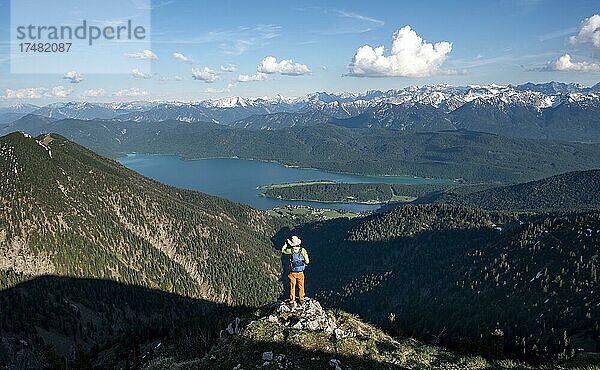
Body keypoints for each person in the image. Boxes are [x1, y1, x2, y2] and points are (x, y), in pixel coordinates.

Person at [281, 235, 309, 304]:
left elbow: (283, 251)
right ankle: (301, 299)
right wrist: (304, 263)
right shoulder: (303, 250)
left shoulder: (291, 250)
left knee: (292, 286)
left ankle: (292, 300)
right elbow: (307, 261)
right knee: (301, 286)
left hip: (292, 272)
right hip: (300, 272)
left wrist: (285, 245)